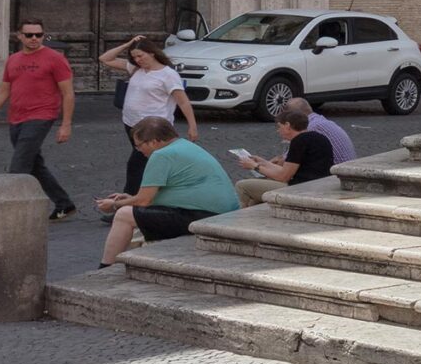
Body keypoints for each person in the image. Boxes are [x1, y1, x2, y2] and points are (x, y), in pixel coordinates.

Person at [0, 15, 76, 219]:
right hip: (16, 117)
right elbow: (3, 91)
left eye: (39, 35)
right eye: (29, 35)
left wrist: (66, 124)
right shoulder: (14, 59)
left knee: (19, 165)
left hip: (42, 115)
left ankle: (11, 211)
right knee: (35, 164)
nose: (34, 38)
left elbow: (68, 92)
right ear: (20, 36)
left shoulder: (55, 59)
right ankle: (64, 203)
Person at [97, 115, 238, 265]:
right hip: (220, 213)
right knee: (135, 213)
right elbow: (164, 193)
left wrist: (114, 205)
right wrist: (129, 198)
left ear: (154, 141)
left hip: (205, 216)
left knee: (124, 215)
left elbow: (144, 200)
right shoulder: (183, 145)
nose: (138, 150)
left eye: (139, 145)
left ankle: (105, 267)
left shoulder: (161, 155)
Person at [98, 34, 196, 196]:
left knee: (136, 165)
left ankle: (126, 203)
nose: (137, 60)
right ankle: (149, 197)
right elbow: (105, 58)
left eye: (140, 55)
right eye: (134, 57)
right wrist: (128, 44)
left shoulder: (168, 75)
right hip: (131, 123)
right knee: (148, 163)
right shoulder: (137, 69)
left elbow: (183, 101)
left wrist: (192, 126)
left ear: (152, 53)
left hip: (153, 128)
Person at [231, 99, 337, 205]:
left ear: (287, 125)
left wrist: (255, 167)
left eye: (279, 127)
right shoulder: (318, 137)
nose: (278, 131)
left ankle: (239, 219)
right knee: (254, 197)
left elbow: (283, 177)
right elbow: (287, 171)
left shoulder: (299, 141)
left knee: (242, 186)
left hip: (301, 189)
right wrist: (263, 163)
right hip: (317, 185)